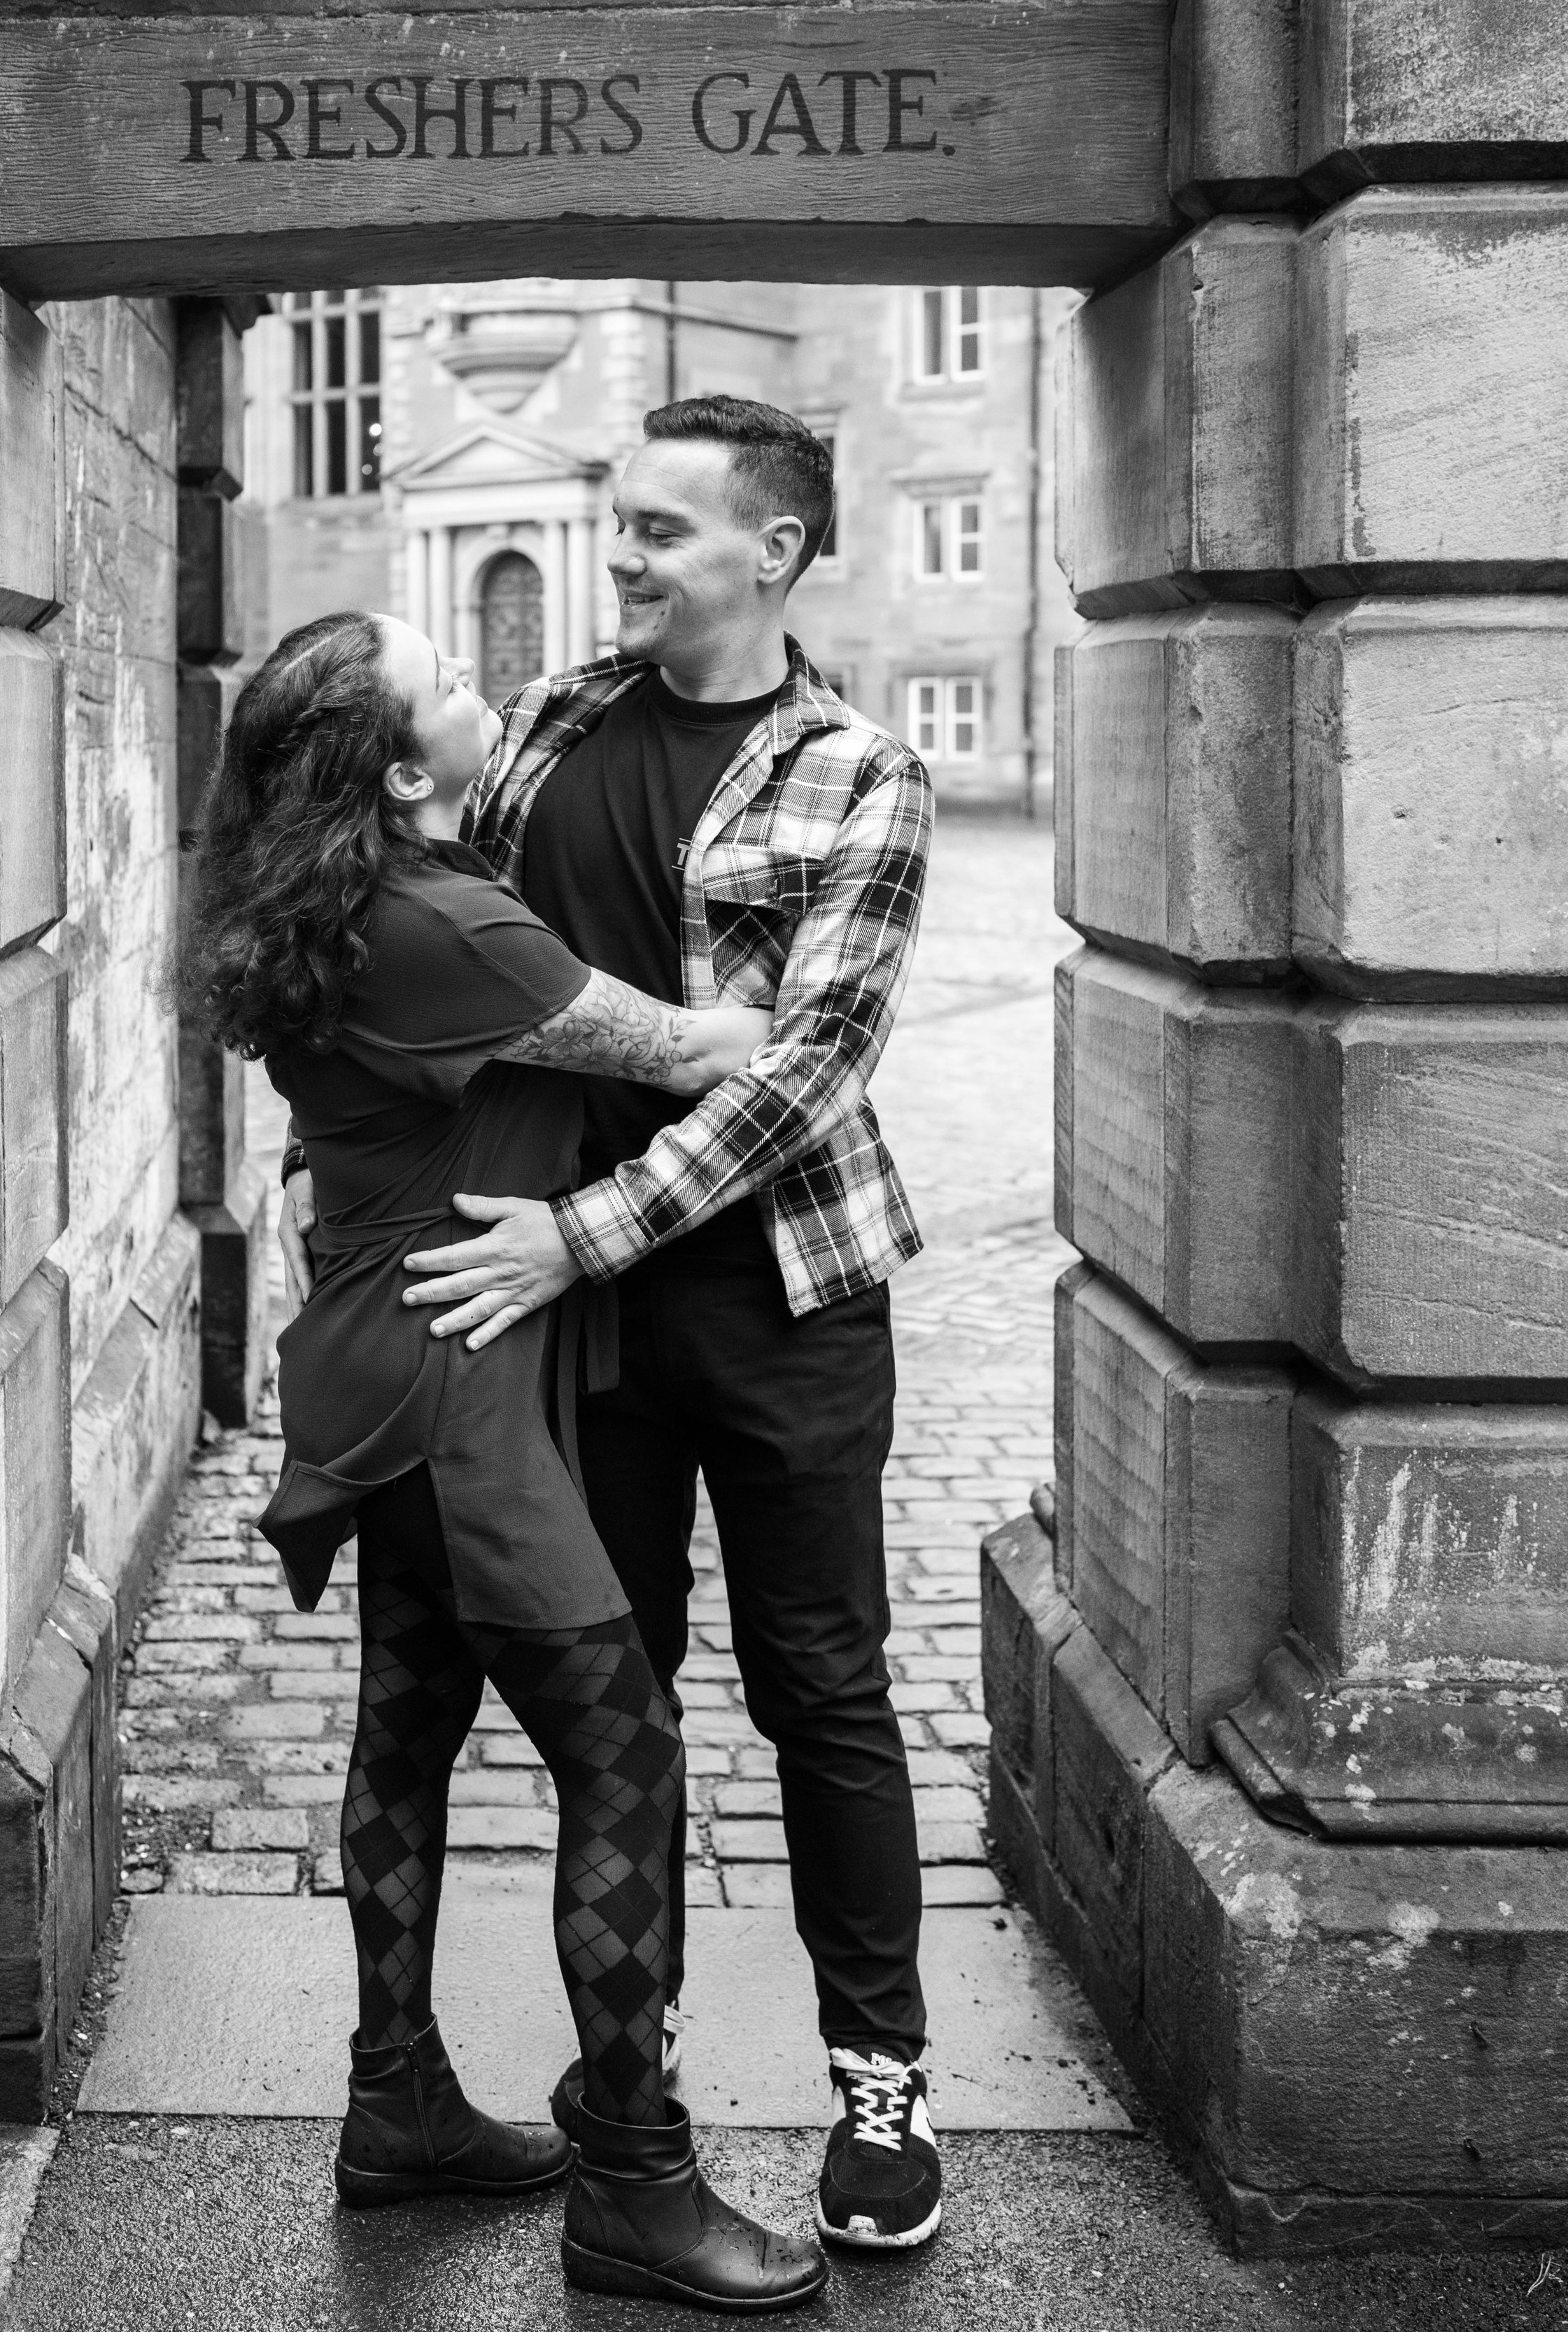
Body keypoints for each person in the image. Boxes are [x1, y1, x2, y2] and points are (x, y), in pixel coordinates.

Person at [281, 396, 942, 2253]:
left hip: (774, 1296)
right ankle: (626, 2073)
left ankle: (876, 2079)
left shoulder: (860, 771)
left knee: (822, 1681)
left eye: (662, 526)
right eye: (624, 521)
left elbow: (802, 1075)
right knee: (623, 1685)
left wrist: (584, 1229)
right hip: (564, 1322)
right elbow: (420, 932)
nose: (626, 552)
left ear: (775, 549)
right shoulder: (556, 719)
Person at [181, 607, 828, 2313]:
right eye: (450, 686)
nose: (488, 691)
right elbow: (697, 1047)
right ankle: (632, 2177)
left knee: (407, 1718)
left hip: (376, 1346)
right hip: (456, 1375)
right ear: (402, 772)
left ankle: (394, 2102)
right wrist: (795, 953)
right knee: (625, 1753)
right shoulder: (444, 917)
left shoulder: (320, 893)